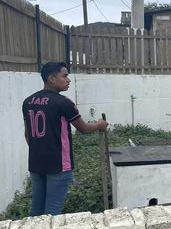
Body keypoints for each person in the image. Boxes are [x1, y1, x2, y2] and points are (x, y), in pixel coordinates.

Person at [22, 61, 108, 216]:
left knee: (36, 210)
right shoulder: (63, 103)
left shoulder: (28, 102)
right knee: (52, 212)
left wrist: (40, 152)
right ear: (51, 78)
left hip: (36, 163)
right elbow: (83, 128)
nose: (68, 80)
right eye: (64, 76)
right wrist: (99, 125)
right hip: (59, 166)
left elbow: (27, 135)